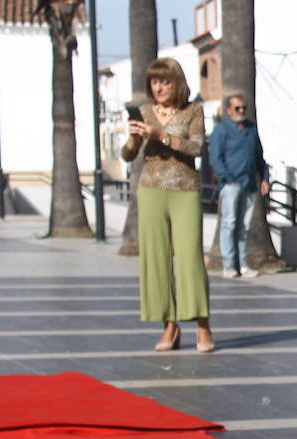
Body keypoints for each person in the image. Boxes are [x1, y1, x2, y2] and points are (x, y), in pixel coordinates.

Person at [122, 58, 213, 353]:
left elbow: (197, 147)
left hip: (184, 189)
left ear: (177, 83)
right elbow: (127, 155)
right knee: (156, 259)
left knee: (189, 257)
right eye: (154, 82)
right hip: (150, 189)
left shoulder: (193, 110)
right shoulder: (145, 112)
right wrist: (135, 139)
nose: (158, 87)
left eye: (165, 81)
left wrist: (160, 134)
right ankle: (169, 326)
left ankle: (202, 325)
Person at [208, 93, 270, 280]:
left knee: (245, 225)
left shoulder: (251, 129)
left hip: (249, 183)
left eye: (244, 108)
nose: (241, 111)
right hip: (231, 185)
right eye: (237, 108)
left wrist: (264, 178)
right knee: (229, 223)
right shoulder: (221, 130)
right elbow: (215, 158)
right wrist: (227, 177)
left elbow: (259, 156)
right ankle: (229, 264)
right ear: (228, 110)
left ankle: (243, 264)